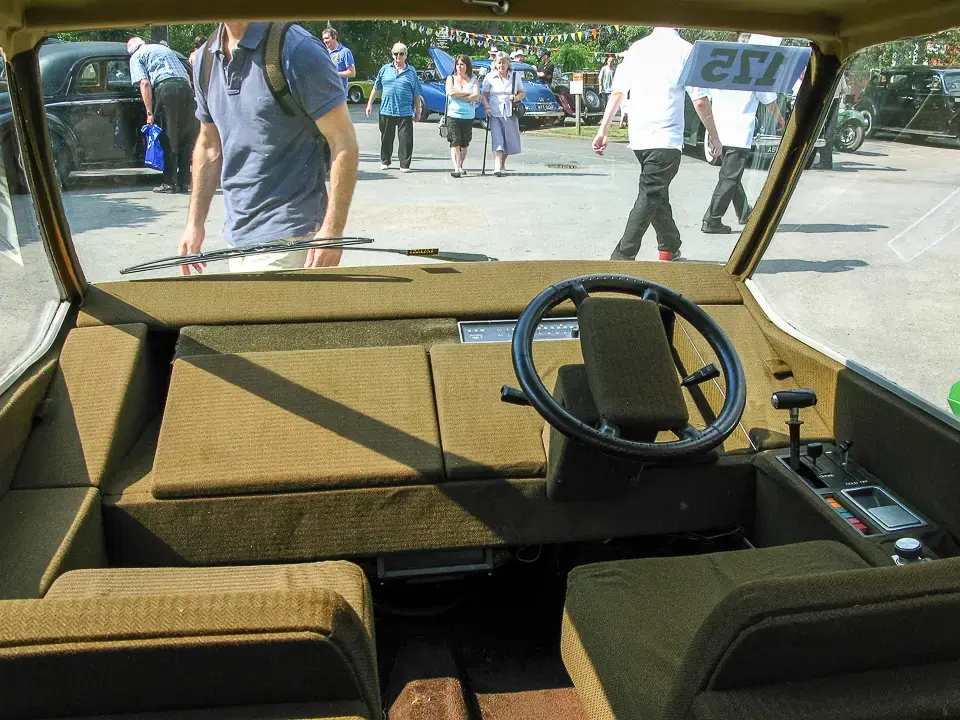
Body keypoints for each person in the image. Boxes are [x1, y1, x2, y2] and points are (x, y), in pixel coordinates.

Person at [177, 22, 359, 274]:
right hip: (237, 238)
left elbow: (344, 142)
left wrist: (333, 229)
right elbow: (208, 146)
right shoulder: (206, 59)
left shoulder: (296, 49)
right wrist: (194, 224)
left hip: (291, 238)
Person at [592, 27, 722, 262]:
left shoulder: (637, 49)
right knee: (651, 193)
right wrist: (714, 136)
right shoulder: (686, 50)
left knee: (655, 193)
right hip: (666, 137)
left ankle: (669, 245)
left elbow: (617, 93)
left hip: (640, 137)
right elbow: (700, 100)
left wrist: (603, 130)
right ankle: (622, 256)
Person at [127, 36, 196, 194]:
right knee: (185, 136)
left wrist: (149, 112)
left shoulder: (137, 57)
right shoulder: (164, 49)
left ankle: (170, 183)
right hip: (185, 88)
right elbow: (186, 75)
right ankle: (184, 182)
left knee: (168, 136)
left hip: (166, 89)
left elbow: (144, 83)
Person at [366, 43, 423, 173]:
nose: (398, 56)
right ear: (392, 55)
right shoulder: (385, 69)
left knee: (405, 140)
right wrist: (369, 104)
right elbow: (376, 87)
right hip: (386, 110)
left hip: (405, 111)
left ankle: (404, 164)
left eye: (401, 53)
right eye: (396, 53)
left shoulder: (411, 71)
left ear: (406, 55)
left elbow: (417, 93)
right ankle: (385, 161)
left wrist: (418, 111)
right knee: (386, 137)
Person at [481, 52, 525, 177]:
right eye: (499, 62)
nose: (501, 65)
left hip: (510, 112)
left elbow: (522, 92)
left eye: (504, 62)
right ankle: (497, 166)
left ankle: (502, 164)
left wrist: (515, 97)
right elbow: (483, 95)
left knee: (509, 142)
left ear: (508, 64)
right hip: (495, 112)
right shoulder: (490, 77)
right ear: (495, 64)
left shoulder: (515, 76)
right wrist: (486, 107)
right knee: (497, 139)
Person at [446, 55, 480, 178]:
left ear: (467, 66)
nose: (460, 67)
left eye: (462, 64)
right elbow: (451, 92)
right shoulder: (451, 78)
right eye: (458, 64)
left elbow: (476, 97)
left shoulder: (473, 80)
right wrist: (468, 94)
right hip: (453, 115)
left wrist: (459, 95)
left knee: (464, 143)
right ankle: (456, 168)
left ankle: (461, 165)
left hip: (468, 116)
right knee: (455, 142)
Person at [813, 74, 848, 169]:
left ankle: (818, 161)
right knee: (828, 131)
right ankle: (825, 161)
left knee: (818, 130)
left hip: (825, 99)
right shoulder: (838, 65)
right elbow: (844, 89)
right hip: (834, 99)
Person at [321, 27, 355, 92]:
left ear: (334, 37)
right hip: (326, 93)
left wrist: (335, 73)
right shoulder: (324, 52)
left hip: (339, 94)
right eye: (323, 39)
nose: (325, 41)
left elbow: (352, 73)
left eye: (327, 38)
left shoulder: (345, 52)